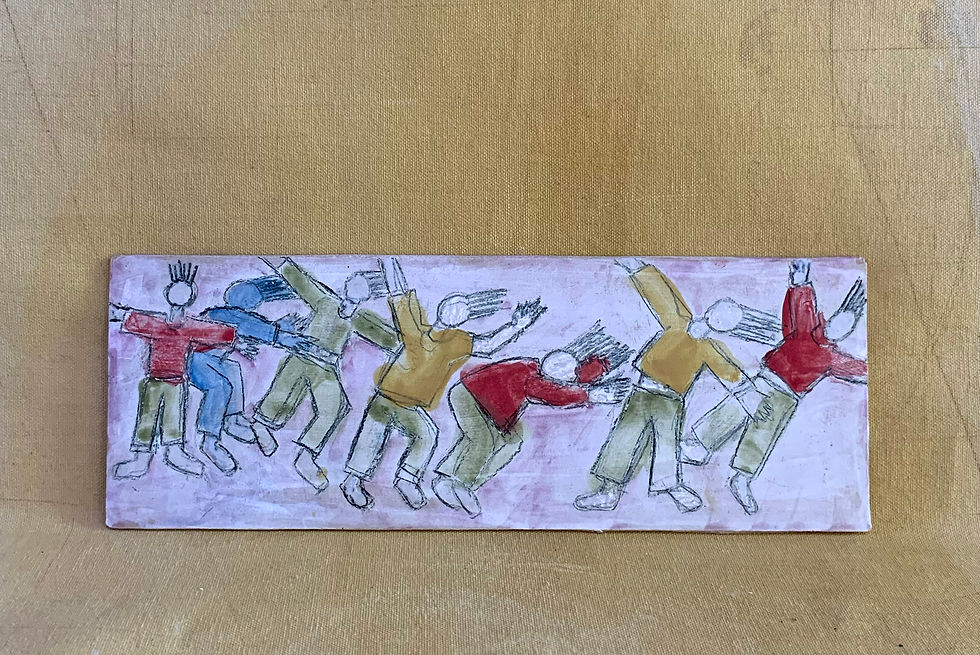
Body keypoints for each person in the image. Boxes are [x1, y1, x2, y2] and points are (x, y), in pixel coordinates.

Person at [573, 259, 779, 514]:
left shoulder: (709, 348)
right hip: (643, 390)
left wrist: (751, 398)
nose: (716, 321)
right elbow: (660, 293)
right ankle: (609, 491)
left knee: (667, 444)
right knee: (624, 436)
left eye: (724, 322)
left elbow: (730, 372)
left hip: (671, 400)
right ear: (709, 312)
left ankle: (671, 486)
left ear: (725, 328)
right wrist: (637, 268)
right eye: (717, 315)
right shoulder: (679, 320)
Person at [341, 257, 546, 510]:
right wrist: (388, 260)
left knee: (427, 434)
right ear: (440, 307)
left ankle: (406, 479)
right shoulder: (415, 326)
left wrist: (516, 326)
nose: (456, 310)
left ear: (464, 318)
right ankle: (353, 481)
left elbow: (489, 345)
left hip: (412, 408)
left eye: (462, 309)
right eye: (452, 305)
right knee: (371, 437)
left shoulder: (457, 343)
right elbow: (398, 290)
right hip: (384, 399)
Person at [681, 259, 867, 515]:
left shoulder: (833, 358)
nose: (840, 327)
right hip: (766, 379)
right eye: (840, 319)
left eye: (847, 325)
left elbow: (859, 370)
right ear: (831, 318)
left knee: (764, 433)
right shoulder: (807, 328)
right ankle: (698, 445)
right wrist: (801, 278)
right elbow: (803, 301)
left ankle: (742, 477)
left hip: (787, 398)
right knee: (736, 408)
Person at [432, 322, 632, 518]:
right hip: (468, 396)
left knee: (510, 443)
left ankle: (457, 481)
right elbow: (557, 394)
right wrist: (589, 395)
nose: (566, 384)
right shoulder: (533, 379)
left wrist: (601, 366)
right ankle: (458, 482)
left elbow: (571, 378)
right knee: (482, 440)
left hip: (488, 410)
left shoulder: (542, 369)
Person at [253, 258, 401, 492]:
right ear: (346, 284)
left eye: (362, 285)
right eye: (354, 281)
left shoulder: (361, 319)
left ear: (368, 295)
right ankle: (262, 424)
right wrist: (277, 260)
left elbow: (392, 340)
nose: (355, 287)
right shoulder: (325, 300)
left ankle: (306, 454)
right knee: (283, 389)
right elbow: (298, 279)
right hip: (303, 354)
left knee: (335, 407)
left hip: (326, 367)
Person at [110, 261, 237, 480]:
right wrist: (114, 311)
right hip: (153, 381)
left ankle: (175, 452)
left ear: (189, 299)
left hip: (177, 383)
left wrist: (238, 341)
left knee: (174, 419)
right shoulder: (155, 323)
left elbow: (223, 334)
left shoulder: (191, 327)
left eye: (185, 293)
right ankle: (141, 458)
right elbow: (126, 317)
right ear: (168, 294)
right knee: (147, 418)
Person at [187, 274, 322, 475]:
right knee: (219, 385)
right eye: (252, 301)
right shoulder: (223, 313)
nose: (254, 306)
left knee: (232, 370)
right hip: (194, 360)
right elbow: (252, 327)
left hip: (212, 358)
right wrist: (281, 334)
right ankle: (210, 441)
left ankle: (232, 420)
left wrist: (276, 330)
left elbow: (247, 328)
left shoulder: (229, 314)